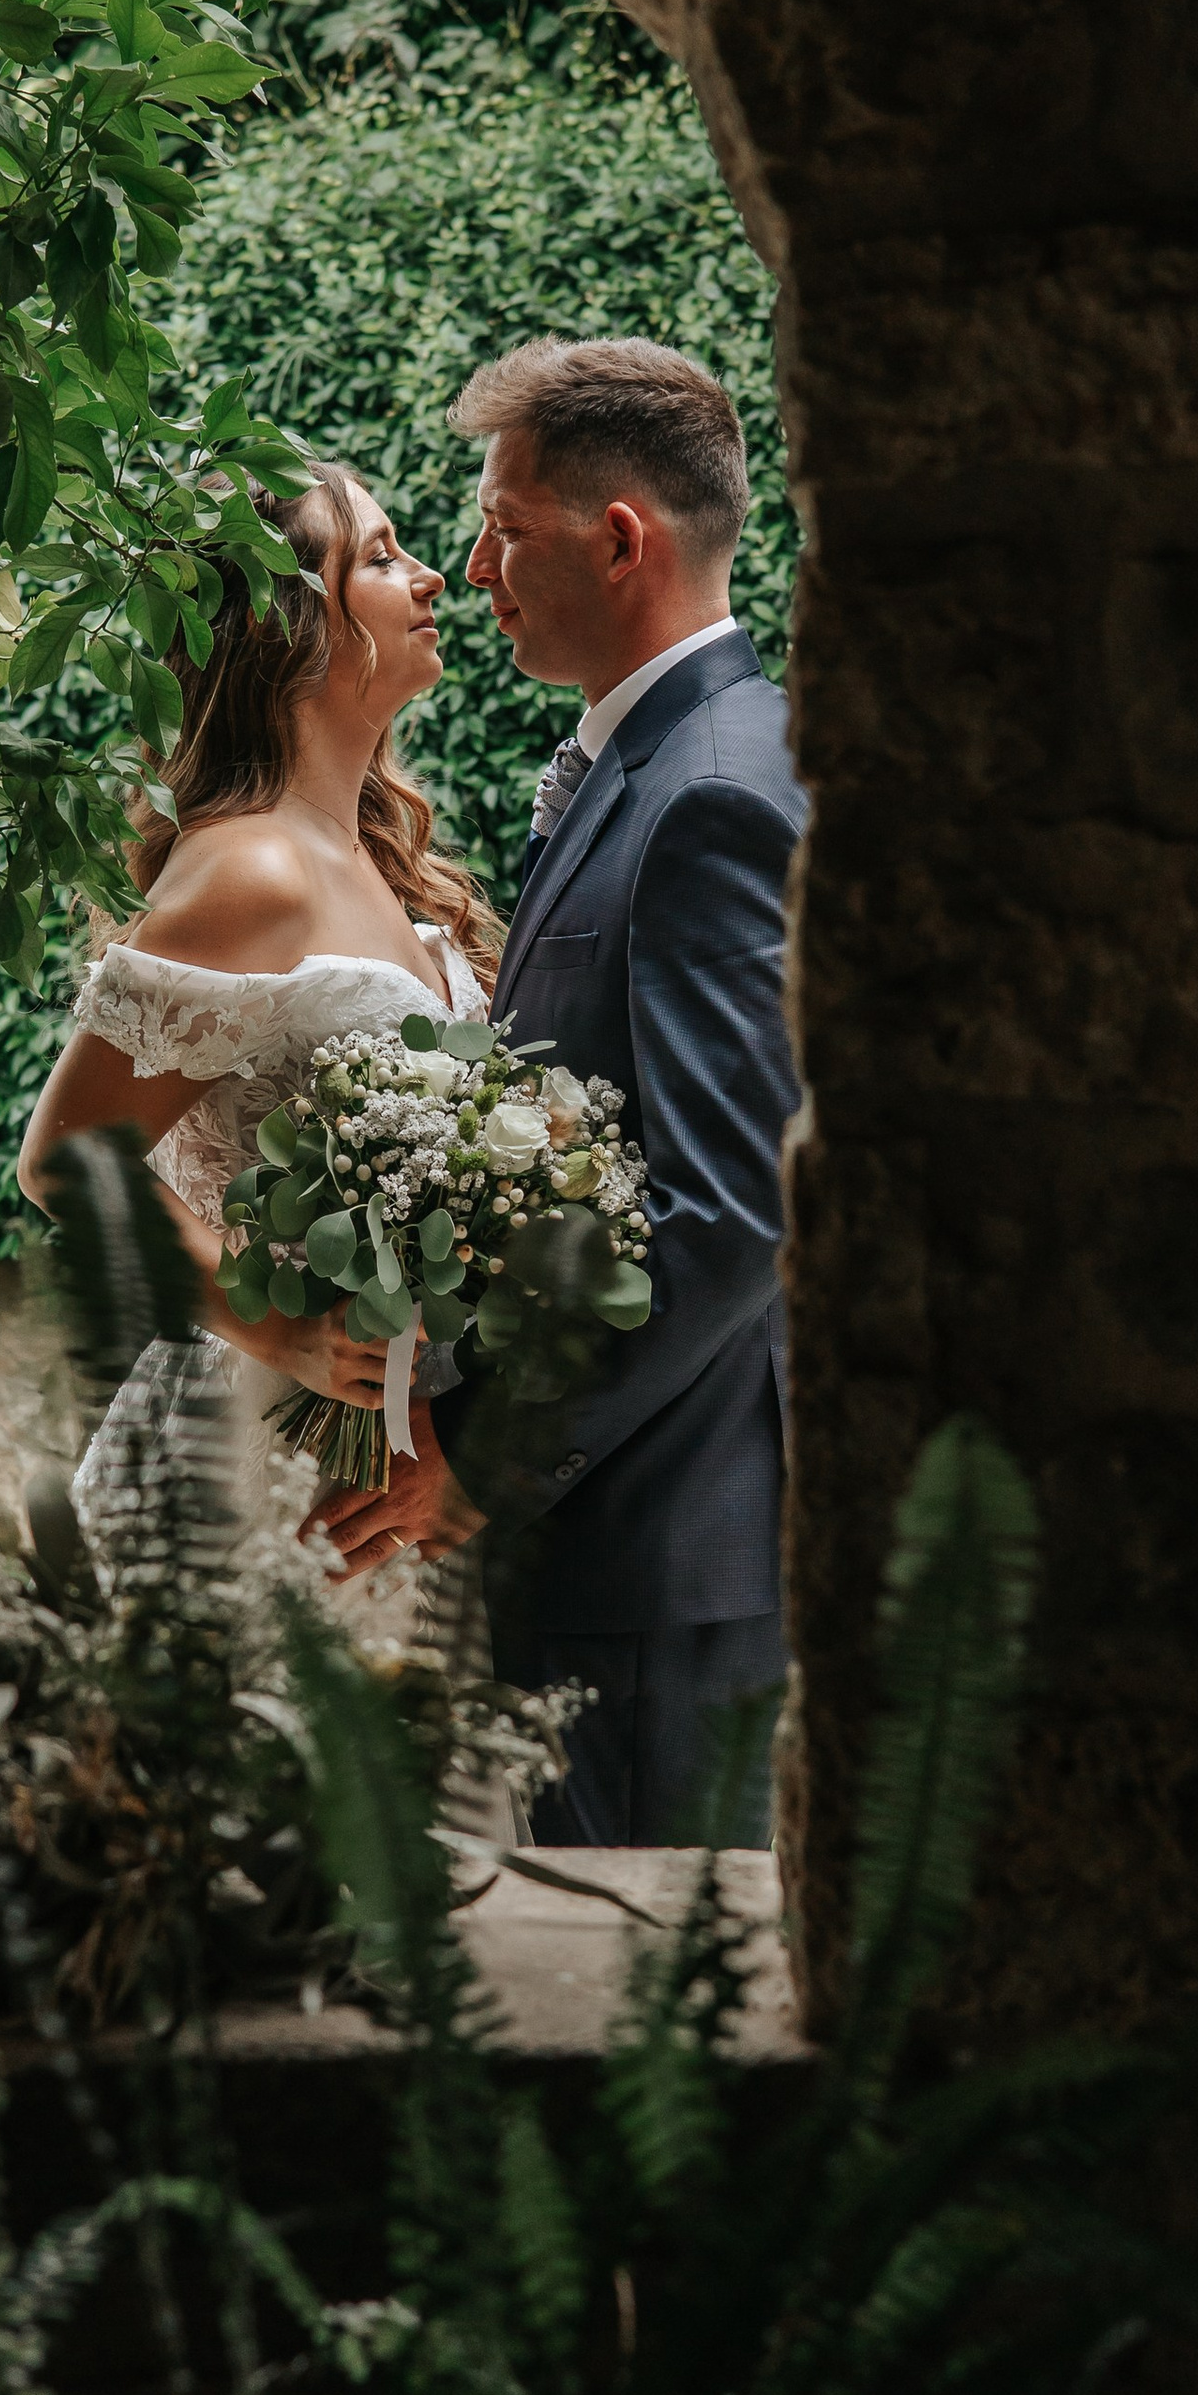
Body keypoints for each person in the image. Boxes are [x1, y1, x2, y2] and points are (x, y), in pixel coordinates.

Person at [321, 335, 804, 1849]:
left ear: (620, 539)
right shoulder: (653, 759)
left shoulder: (715, 788)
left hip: (655, 1560)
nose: (474, 569)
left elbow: (728, 1212)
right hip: (619, 1553)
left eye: (505, 528)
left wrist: (496, 1450)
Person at [16, 461, 501, 1652]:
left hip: (383, 1457)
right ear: (293, 628)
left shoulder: (384, 869)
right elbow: (67, 1159)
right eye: (381, 557)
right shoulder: (253, 871)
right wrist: (270, 1323)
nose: (430, 574)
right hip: (246, 1462)